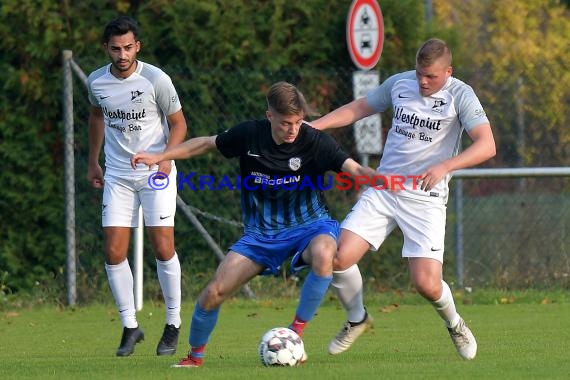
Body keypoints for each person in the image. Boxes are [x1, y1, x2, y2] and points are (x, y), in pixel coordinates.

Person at [131, 81, 379, 367]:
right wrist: (160, 156)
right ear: (269, 115)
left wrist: (369, 175)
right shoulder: (249, 135)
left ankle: (294, 335)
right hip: (261, 235)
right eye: (286, 123)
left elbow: (353, 168)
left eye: (298, 122)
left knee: (326, 255)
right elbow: (204, 143)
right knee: (213, 293)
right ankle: (194, 357)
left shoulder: (313, 139)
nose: (293, 129)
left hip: (311, 226)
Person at [310, 38, 496, 360]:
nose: (423, 82)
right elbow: (359, 107)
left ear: (448, 72)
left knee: (426, 284)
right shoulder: (400, 83)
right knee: (336, 258)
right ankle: (357, 319)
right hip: (384, 189)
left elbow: (487, 144)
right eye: (420, 73)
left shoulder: (460, 95)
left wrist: (446, 165)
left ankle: (455, 323)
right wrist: (316, 126)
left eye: (432, 77)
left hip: (425, 198)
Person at [87, 15, 188, 357]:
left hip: (156, 172)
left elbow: (179, 124)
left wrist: (166, 158)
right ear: (107, 49)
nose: (122, 54)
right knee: (114, 252)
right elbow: (97, 116)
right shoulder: (96, 82)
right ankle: (131, 327)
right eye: (115, 49)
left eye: (128, 47)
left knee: (162, 247)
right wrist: (93, 161)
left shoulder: (156, 80)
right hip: (117, 174)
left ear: (137, 47)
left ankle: (173, 324)